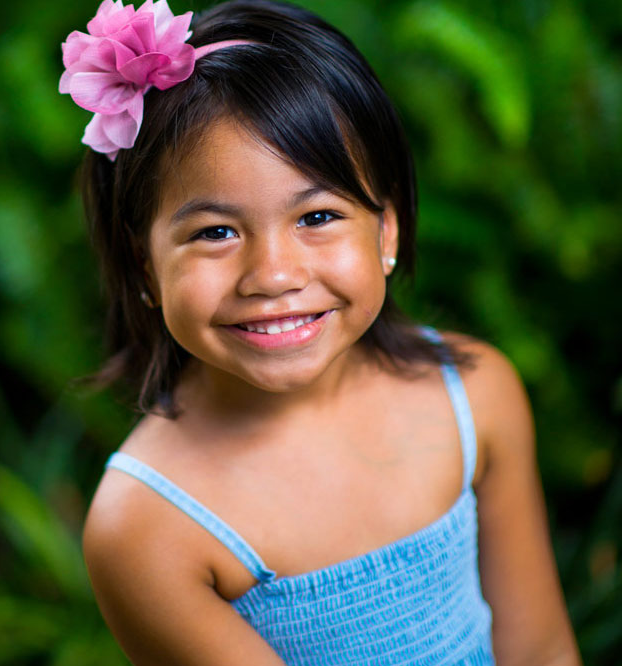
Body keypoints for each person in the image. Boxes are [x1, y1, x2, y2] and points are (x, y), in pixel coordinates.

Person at [59, 0, 581, 663]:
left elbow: (541, 649)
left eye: (318, 216)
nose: (273, 275)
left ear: (386, 229)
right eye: (216, 232)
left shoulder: (475, 397)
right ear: (145, 264)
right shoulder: (149, 526)